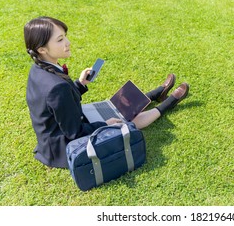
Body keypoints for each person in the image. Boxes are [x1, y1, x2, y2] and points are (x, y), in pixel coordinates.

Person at [24, 16, 189, 168]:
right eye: (60, 40)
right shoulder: (56, 87)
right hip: (63, 147)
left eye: (65, 36)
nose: (68, 42)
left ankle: (156, 94)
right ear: (42, 49)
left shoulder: (38, 68)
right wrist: (105, 125)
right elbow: (74, 133)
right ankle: (168, 103)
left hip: (60, 131)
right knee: (125, 120)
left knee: (117, 107)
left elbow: (59, 104)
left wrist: (80, 84)